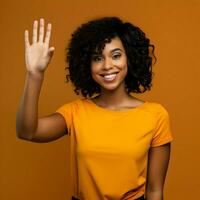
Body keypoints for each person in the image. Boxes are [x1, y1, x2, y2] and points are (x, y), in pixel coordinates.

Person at [16, 16, 173, 200]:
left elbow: (154, 191)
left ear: (129, 57)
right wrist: (35, 74)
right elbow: (27, 131)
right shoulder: (76, 112)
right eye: (98, 58)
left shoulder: (155, 115)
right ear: (87, 65)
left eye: (116, 55)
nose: (107, 65)